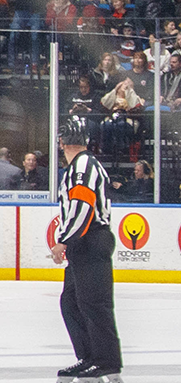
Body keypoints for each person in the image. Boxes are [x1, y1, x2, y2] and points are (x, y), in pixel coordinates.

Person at [50, 117, 123, 383]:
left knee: (94, 303)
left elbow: (83, 208)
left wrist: (64, 239)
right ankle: (90, 358)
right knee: (71, 303)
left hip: (90, 239)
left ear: (62, 142)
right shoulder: (77, 166)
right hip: (84, 241)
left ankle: (106, 362)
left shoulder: (82, 166)